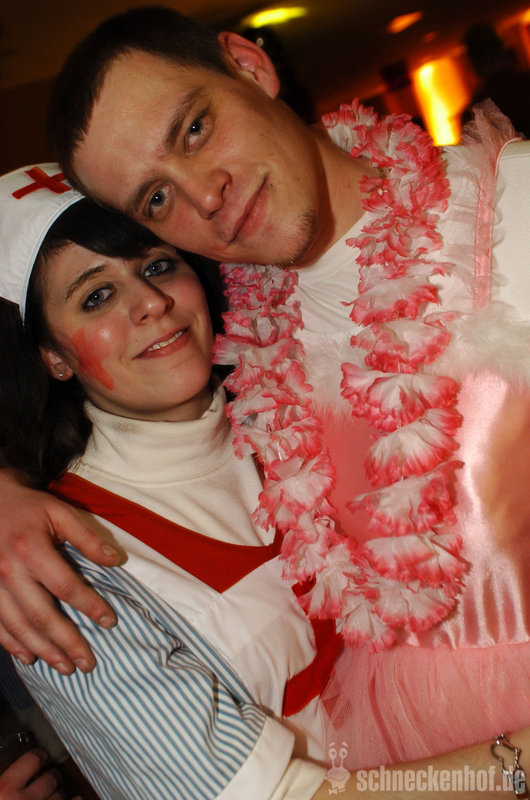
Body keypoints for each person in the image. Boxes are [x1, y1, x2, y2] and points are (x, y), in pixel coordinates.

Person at [0, 5, 529, 792]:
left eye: (195, 128)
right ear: (50, 354)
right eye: (156, 200)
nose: (205, 198)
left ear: (249, 66)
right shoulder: (255, 347)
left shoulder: (510, 206)